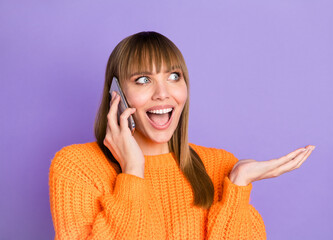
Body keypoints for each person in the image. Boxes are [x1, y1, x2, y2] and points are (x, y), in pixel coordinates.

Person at [49, 31, 315, 240]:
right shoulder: (77, 167)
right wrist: (132, 170)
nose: (163, 93)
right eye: (143, 79)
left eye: (174, 76)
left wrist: (238, 184)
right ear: (116, 94)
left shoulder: (219, 165)